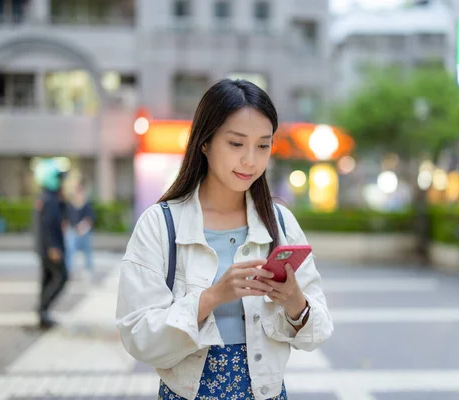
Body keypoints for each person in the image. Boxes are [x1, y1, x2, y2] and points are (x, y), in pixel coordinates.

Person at [116, 79, 333, 400]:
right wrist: (213, 296)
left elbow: (318, 333)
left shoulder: (280, 222)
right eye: (236, 144)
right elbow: (137, 337)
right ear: (205, 142)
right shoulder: (160, 224)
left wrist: (294, 302)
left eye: (263, 145)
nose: (250, 160)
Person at [34, 159, 69, 329]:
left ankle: (43, 314)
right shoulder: (48, 199)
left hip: (46, 248)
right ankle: (42, 310)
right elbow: (47, 226)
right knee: (61, 277)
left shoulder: (49, 197)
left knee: (47, 279)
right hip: (50, 249)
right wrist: (53, 247)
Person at [65, 178, 95, 281]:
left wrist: (83, 226)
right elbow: (67, 218)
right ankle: (69, 270)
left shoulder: (86, 204)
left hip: (84, 232)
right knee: (70, 251)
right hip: (73, 231)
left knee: (87, 251)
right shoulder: (70, 204)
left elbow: (90, 217)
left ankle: (88, 270)